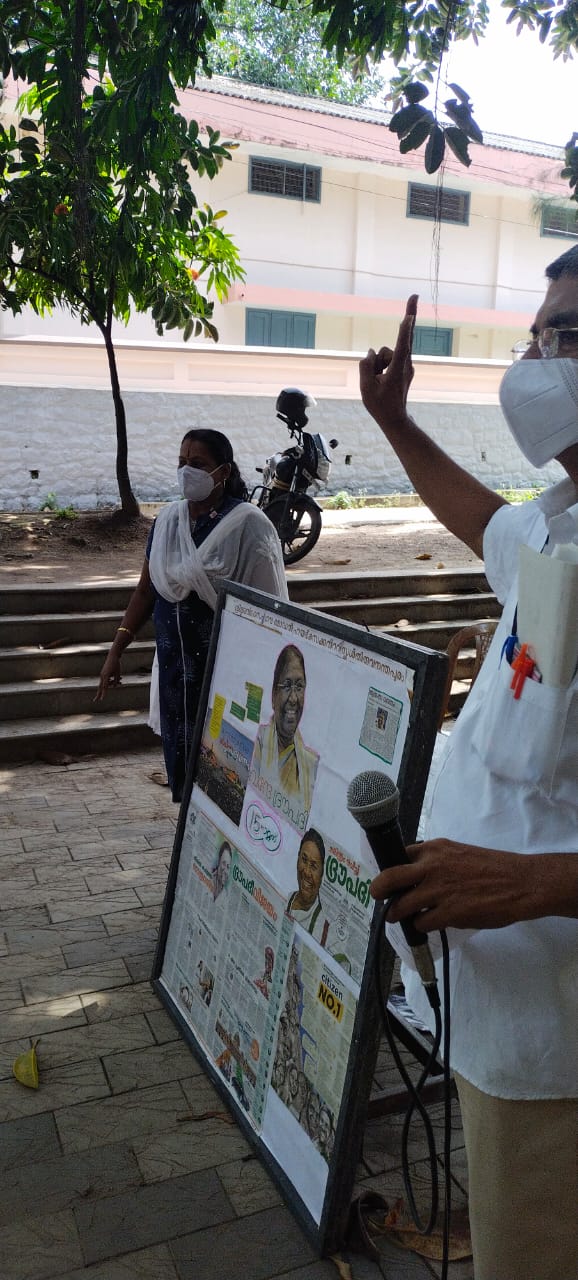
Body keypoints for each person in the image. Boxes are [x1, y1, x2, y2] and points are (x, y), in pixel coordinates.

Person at [359, 253, 578, 1280]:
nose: (532, 361)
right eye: (534, 336)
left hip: (561, 1051)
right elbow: (482, 521)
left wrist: (535, 882)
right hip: (500, 1015)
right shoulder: (554, 522)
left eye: (563, 336)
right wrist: (396, 424)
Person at [95, 429, 288, 801]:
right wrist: (116, 650)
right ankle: (187, 829)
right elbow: (146, 591)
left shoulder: (248, 525)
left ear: (223, 471)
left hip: (227, 677)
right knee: (182, 767)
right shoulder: (167, 522)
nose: (187, 471)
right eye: (182, 462)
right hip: (175, 678)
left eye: (198, 464)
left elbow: (270, 609)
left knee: (224, 773)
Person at [250, 644, 319, 831]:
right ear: (274, 695)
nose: (294, 698)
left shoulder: (311, 765)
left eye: (299, 687)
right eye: (287, 686)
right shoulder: (257, 743)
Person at [287, 828, 331, 946]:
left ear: (322, 874)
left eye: (313, 866)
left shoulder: (324, 927)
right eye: (304, 860)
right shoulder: (285, 898)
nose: (306, 872)